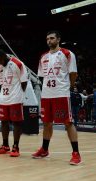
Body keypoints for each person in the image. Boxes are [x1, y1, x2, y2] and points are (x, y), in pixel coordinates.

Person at [32, 30, 81, 165]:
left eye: (52, 38)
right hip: (47, 94)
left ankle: (76, 153)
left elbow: (73, 73)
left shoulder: (67, 54)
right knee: (47, 123)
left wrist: (69, 87)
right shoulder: (43, 57)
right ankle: (44, 149)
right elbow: (42, 76)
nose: (49, 41)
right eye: (47, 39)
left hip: (61, 93)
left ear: (58, 39)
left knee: (68, 122)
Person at [0, 50, 28, 157]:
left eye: (1, 60)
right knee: (4, 122)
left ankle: (16, 147)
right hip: (4, 98)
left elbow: (24, 82)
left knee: (16, 123)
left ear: (4, 56)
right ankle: (5, 145)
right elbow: (1, 84)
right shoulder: (0, 68)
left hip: (15, 98)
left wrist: (19, 94)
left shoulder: (18, 64)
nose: (0, 63)